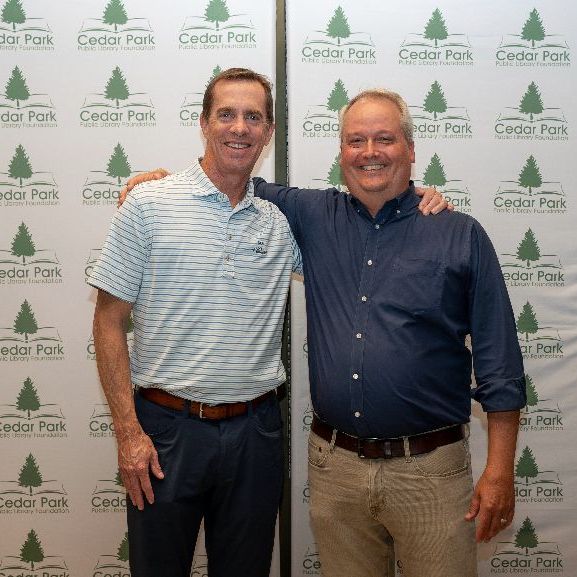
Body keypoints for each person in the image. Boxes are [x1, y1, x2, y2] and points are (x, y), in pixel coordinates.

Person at [125, 87, 525, 577]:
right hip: (337, 472)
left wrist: (500, 470)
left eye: (385, 139)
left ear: (411, 149)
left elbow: (500, 364)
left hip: (430, 473)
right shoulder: (312, 214)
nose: (370, 152)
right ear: (341, 153)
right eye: (356, 141)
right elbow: (228, 178)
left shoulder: (459, 234)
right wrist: (162, 183)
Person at [89, 68, 302, 577]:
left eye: (253, 117)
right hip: (166, 432)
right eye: (226, 114)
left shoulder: (280, 221)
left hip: (256, 434)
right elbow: (108, 321)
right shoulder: (148, 203)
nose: (239, 127)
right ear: (204, 123)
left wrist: (419, 198)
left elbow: (361, 228)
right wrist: (128, 433)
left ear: (269, 131)